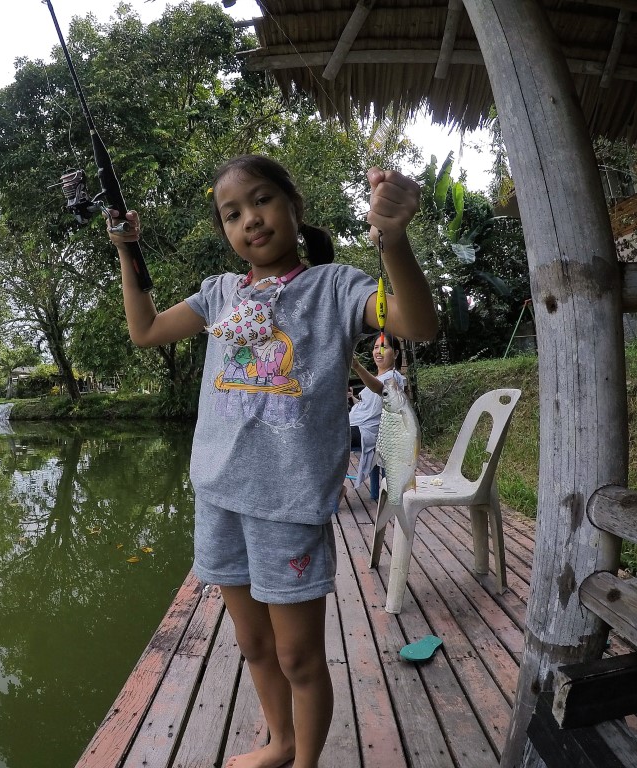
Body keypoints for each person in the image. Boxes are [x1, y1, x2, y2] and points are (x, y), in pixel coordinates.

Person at [106, 155, 437, 768]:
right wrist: (129, 253)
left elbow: (415, 322)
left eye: (260, 201)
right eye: (232, 214)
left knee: (299, 657)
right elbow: (146, 329)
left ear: (293, 205)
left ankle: (304, 762)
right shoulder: (219, 293)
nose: (249, 221)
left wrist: (392, 240)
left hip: (288, 504)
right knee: (254, 644)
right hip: (219, 495)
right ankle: (280, 743)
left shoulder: (336, 287)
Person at [349, 334, 407, 501]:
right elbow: (370, 406)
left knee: (328, 438)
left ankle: (335, 490)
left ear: (395, 353)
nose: (378, 351)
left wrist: (357, 367)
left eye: (384, 347)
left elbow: (381, 390)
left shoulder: (394, 377)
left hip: (367, 431)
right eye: (375, 347)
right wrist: (352, 399)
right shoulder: (376, 377)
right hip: (355, 424)